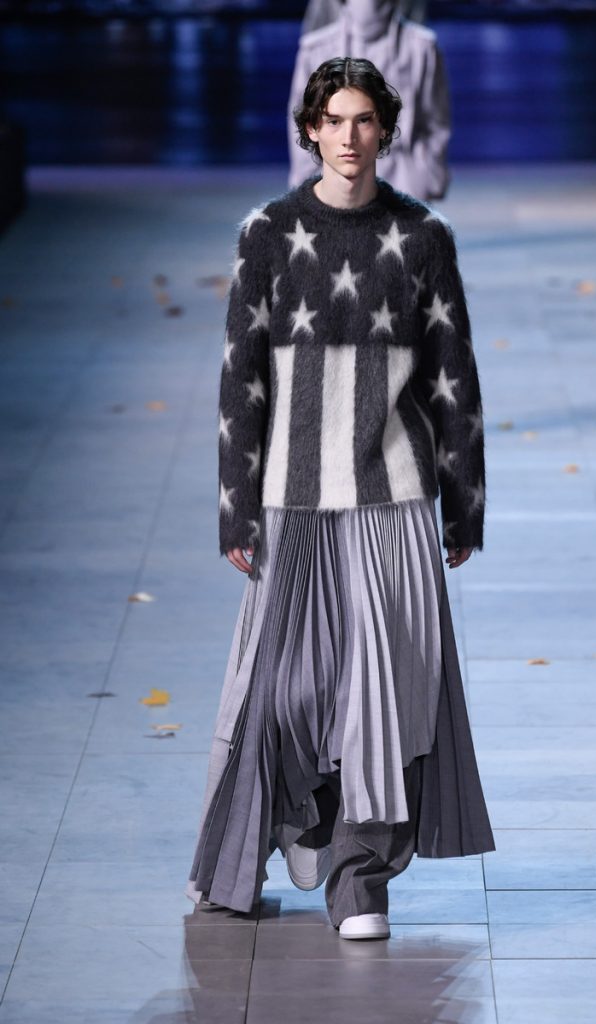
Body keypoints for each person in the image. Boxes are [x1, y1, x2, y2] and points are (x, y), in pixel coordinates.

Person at [186, 56, 495, 941]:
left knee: (384, 693)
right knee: (281, 691)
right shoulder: (268, 233)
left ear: (385, 129)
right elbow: (240, 377)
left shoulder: (422, 236)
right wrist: (235, 504)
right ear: (310, 130)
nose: (349, 137)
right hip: (289, 497)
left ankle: (362, 882)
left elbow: (452, 380)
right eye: (333, 120)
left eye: (364, 120)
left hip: (391, 495)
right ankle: (285, 830)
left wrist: (463, 504)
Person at [288, 0, 451, 201]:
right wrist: (308, 182)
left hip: (404, 181)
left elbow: (436, 122)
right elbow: (303, 118)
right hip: (333, 180)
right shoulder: (315, 49)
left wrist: (424, 175)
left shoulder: (422, 47)